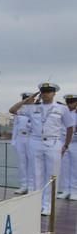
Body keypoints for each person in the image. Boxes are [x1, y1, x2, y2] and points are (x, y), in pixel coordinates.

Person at [10, 83, 73, 215]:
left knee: (51, 175)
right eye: (43, 91)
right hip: (35, 142)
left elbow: (69, 127)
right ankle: (36, 204)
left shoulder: (61, 108)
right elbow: (13, 110)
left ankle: (48, 205)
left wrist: (66, 145)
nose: (46, 94)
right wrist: (28, 100)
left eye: (49, 91)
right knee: (36, 174)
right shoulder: (32, 108)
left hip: (53, 142)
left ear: (54, 93)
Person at [11, 92, 34, 194]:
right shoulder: (19, 111)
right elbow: (15, 126)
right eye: (25, 99)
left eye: (29, 99)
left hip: (31, 138)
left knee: (31, 163)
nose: (27, 101)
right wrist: (14, 140)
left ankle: (31, 186)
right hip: (20, 138)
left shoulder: (37, 110)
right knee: (22, 163)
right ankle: (23, 185)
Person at [57, 93, 77, 200]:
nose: (70, 104)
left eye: (72, 102)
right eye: (68, 102)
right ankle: (66, 190)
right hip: (63, 143)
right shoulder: (62, 113)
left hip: (75, 143)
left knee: (75, 168)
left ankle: (74, 191)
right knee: (64, 168)